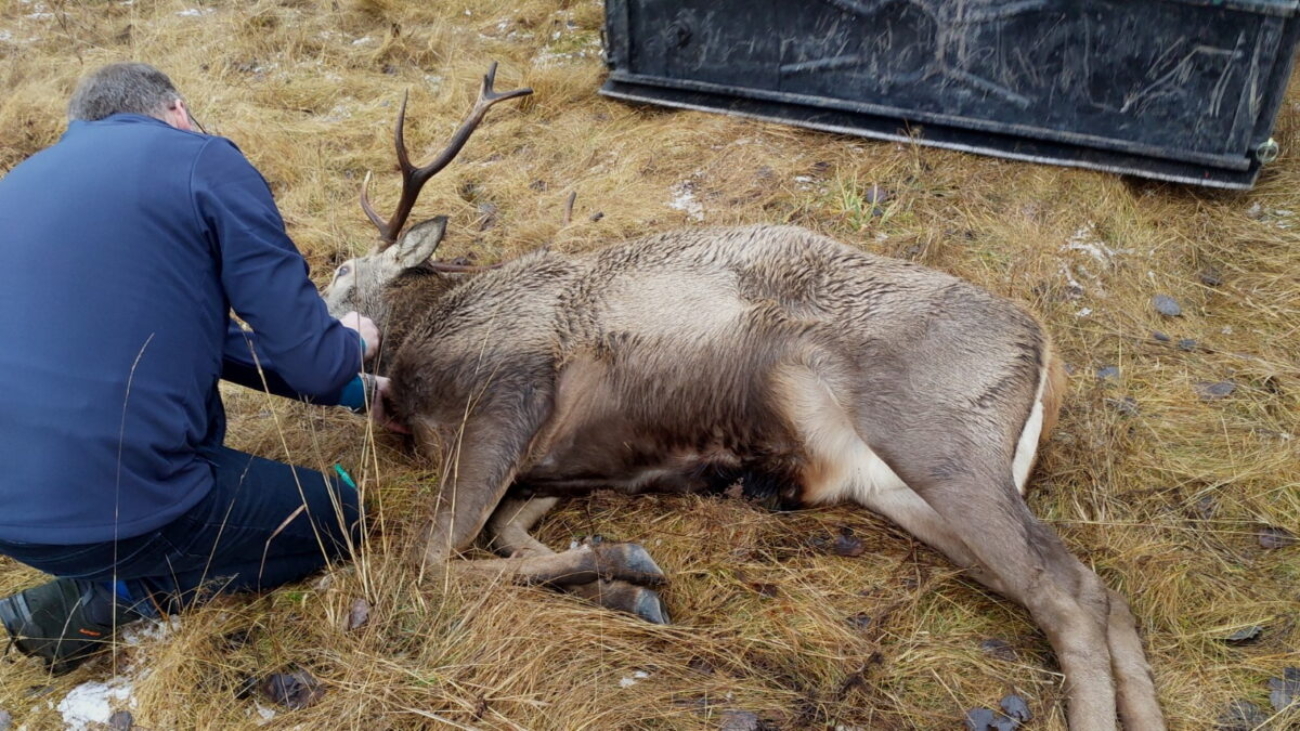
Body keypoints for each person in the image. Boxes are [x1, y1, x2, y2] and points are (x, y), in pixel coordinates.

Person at [0, 62, 396, 673]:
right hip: (119, 504)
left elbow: (207, 341)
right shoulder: (202, 160)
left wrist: (354, 392)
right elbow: (312, 360)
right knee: (338, 519)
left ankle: (104, 575)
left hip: (14, 522)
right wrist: (349, 344)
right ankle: (115, 596)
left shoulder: (17, 183)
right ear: (177, 110)